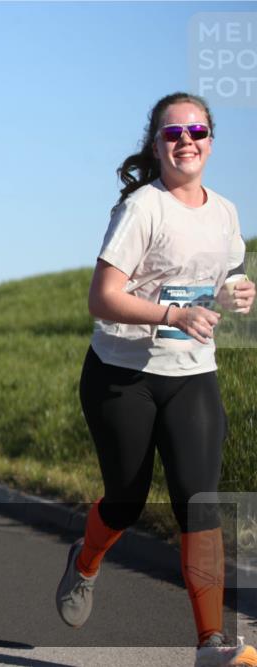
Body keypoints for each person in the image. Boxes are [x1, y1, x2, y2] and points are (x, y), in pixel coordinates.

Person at [53, 92, 256, 667]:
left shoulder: (226, 212)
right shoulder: (143, 208)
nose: (186, 140)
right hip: (122, 376)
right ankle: (86, 561)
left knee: (201, 502)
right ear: (157, 145)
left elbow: (226, 277)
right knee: (127, 500)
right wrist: (172, 314)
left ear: (211, 140)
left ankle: (210, 645)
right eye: (173, 134)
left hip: (192, 373)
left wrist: (239, 293)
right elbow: (103, 297)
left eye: (196, 130)